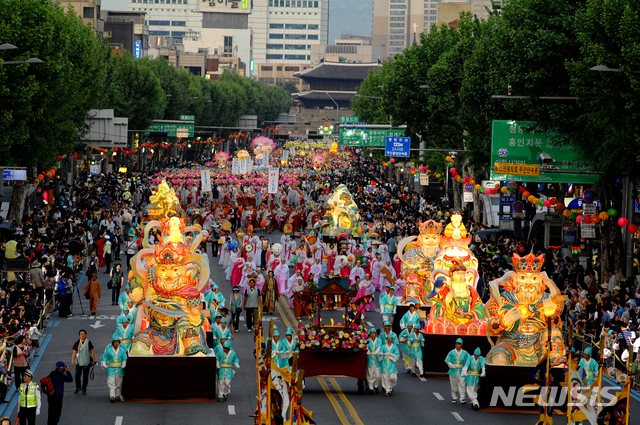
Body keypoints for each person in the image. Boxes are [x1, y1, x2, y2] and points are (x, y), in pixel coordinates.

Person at [100, 337, 128, 403]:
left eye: (117, 342)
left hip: (119, 369)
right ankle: (112, 396)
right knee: (111, 383)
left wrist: (124, 364)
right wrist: (104, 364)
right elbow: (104, 358)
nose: (116, 344)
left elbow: (124, 359)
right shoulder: (109, 350)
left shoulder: (122, 350)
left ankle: (118, 396)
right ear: (113, 343)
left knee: (119, 383)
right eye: (115, 342)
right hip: (111, 369)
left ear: (119, 343)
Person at [445, 338, 469, 404]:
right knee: (453, 384)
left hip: (461, 370)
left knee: (462, 384)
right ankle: (454, 397)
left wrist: (465, 368)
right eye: (456, 344)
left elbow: (469, 361)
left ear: (461, 345)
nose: (457, 345)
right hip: (453, 370)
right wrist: (451, 365)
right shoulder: (452, 352)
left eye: (458, 344)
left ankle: (462, 398)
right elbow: (447, 360)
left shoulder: (465, 353)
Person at [71, 330, 96, 395]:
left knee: (85, 376)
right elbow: (74, 351)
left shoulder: (88, 342)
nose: (82, 335)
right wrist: (72, 360)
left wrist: (93, 360)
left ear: (86, 335)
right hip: (79, 362)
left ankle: (84, 389)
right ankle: (78, 387)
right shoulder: (77, 342)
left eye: (83, 334)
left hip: (86, 362)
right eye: (81, 334)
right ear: (79, 335)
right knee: (77, 375)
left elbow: (92, 351)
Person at [366, 328, 382, 394]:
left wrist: (376, 352)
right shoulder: (368, 340)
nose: (372, 334)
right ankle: (371, 388)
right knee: (370, 374)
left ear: (376, 334)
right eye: (371, 333)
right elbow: (366, 347)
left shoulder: (379, 340)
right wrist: (368, 351)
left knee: (378, 375)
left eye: (373, 333)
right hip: (370, 359)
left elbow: (379, 346)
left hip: (377, 359)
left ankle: (376, 386)